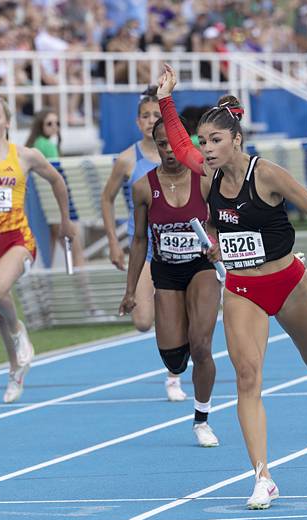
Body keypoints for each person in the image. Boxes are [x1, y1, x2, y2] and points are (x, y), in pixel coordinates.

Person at [156, 64, 307, 510]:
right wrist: (166, 98)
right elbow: (179, 143)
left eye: (215, 141)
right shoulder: (206, 176)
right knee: (247, 377)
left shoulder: (268, 175)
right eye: (203, 142)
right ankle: (262, 475)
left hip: (288, 281)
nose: (205, 150)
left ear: (237, 139)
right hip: (242, 288)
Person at [0, 97, 77, 403]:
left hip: (16, 240)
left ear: (8, 122)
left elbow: (57, 181)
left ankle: (20, 331)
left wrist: (65, 220)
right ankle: (15, 370)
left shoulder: (24, 156)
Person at [119, 115, 221, 447]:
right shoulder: (143, 187)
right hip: (166, 272)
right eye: (161, 144)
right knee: (174, 357)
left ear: (185, 144)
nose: (168, 151)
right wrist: (130, 290)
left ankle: (201, 418)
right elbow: (138, 241)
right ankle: (186, 346)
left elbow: (222, 222)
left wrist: (216, 244)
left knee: (202, 345)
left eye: (174, 144)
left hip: (201, 268)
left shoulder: (204, 179)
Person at [100, 87, 188, 402]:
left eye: (158, 115)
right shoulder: (127, 159)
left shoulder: (180, 154)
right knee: (141, 321)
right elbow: (106, 199)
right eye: (147, 116)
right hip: (147, 246)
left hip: (179, 244)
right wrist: (112, 240)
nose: (153, 121)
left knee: (175, 310)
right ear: (138, 122)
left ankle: (174, 375)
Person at [25, 109, 87, 267]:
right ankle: (85, 290)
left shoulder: (36, 145)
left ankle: (47, 289)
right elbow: (58, 176)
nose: (54, 126)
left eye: (57, 123)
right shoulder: (45, 144)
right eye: (49, 123)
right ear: (41, 125)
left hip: (43, 205)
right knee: (76, 251)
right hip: (54, 204)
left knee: (48, 253)